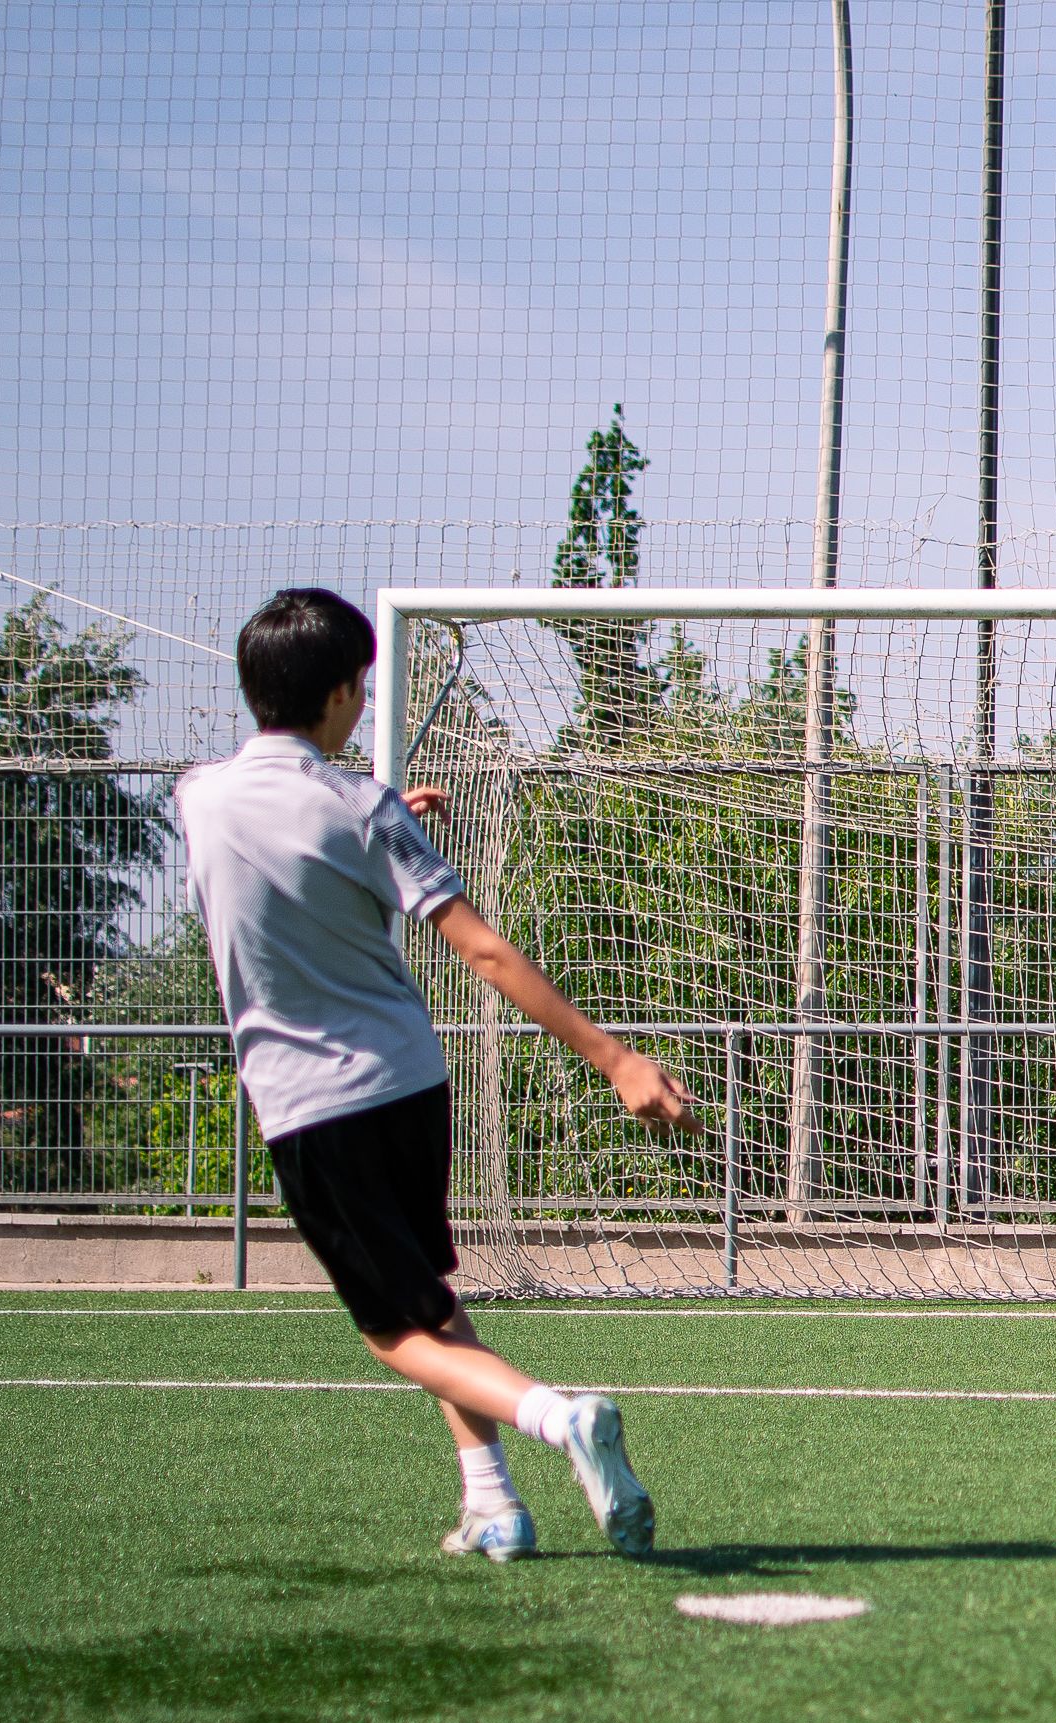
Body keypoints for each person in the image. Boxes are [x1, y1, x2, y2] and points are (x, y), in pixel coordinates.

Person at [175, 588, 701, 1561]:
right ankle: (492, 1501)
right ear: (338, 694)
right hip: (412, 1086)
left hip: (311, 1105)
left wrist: (381, 828)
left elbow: (277, 874)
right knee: (431, 1298)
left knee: (390, 1329)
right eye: (362, 690)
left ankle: (557, 1416)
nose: (364, 706)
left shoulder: (196, 796)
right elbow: (486, 952)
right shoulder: (364, 809)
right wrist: (618, 1058)